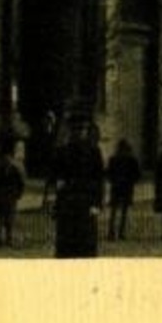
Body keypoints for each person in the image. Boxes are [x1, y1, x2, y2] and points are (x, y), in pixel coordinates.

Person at [52, 109, 106, 258]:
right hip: (67, 204)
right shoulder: (62, 152)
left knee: (86, 245)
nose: (79, 132)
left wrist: (97, 204)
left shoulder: (94, 153)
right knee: (65, 247)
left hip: (86, 204)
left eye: (82, 129)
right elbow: (56, 177)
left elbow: (99, 180)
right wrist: (58, 199)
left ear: (87, 131)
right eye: (75, 129)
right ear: (70, 131)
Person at [0, 137, 26, 247]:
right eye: (4, 158)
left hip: (10, 199)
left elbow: (21, 185)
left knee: (10, 221)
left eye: (8, 158)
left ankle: (9, 238)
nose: (6, 160)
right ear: (1, 159)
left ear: (11, 158)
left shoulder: (15, 171)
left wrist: (18, 195)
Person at [105, 138, 141, 241]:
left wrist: (114, 180)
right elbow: (109, 173)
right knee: (117, 210)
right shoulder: (124, 160)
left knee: (117, 210)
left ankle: (116, 231)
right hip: (123, 187)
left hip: (121, 187)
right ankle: (116, 231)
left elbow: (108, 173)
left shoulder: (123, 160)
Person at [27, 110, 58, 213]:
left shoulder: (54, 133)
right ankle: (46, 204)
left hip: (54, 161)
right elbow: (40, 147)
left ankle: (52, 204)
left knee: (54, 184)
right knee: (48, 184)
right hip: (48, 160)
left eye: (50, 120)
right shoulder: (42, 133)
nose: (48, 122)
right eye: (47, 120)